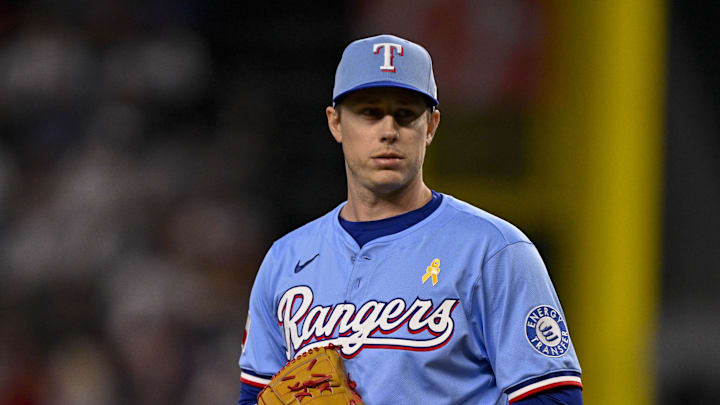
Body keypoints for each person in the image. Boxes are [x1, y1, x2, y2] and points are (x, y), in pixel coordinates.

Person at [237, 34, 582, 405]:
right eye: (369, 113)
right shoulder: (285, 259)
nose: (389, 130)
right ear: (336, 123)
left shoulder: (494, 251)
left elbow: (553, 397)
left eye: (405, 114)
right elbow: (253, 395)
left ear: (431, 126)